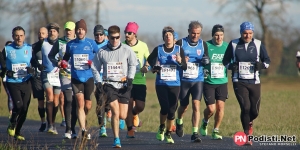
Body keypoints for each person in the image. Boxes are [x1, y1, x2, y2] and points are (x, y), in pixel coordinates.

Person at [222, 21, 271, 145]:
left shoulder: (258, 44)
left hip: (254, 81)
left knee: (254, 111)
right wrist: (231, 66)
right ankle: (246, 135)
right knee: (245, 107)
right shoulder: (233, 44)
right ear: (241, 33)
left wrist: (261, 65)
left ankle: (249, 122)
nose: (247, 36)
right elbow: (225, 61)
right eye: (245, 33)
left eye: (250, 33)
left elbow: (267, 61)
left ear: (252, 33)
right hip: (239, 81)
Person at [91, 25, 137, 148]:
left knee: (123, 115)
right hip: (109, 84)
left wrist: (130, 78)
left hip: (123, 85)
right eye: (112, 38)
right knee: (115, 112)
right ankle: (116, 139)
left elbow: (133, 64)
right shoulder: (102, 52)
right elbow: (94, 67)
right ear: (108, 37)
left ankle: (119, 121)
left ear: (120, 36)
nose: (115, 40)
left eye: (117, 38)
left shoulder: (127, 50)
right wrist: (98, 82)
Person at [147, 26, 187, 144]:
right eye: (166, 35)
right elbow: (149, 63)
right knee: (164, 108)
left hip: (175, 84)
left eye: (170, 35)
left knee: (172, 110)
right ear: (163, 38)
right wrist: (152, 68)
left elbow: (184, 67)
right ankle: (161, 127)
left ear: (173, 37)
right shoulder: (158, 49)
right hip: (161, 84)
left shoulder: (179, 49)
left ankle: (169, 133)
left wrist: (180, 61)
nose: (168, 37)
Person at [62, 19, 98, 140]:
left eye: (82, 29)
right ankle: (83, 129)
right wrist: (62, 63)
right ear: (76, 31)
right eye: (78, 29)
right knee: (80, 103)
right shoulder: (70, 44)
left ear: (85, 31)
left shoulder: (91, 43)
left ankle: (82, 120)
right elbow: (65, 58)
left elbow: (99, 58)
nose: (80, 31)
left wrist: (92, 62)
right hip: (76, 77)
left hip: (88, 77)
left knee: (87, 106)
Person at [175, 21, 209, 142]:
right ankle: (179, 120)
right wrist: (181, 60)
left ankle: (195, 133)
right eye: (193, 33)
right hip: (184, 80)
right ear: (188, 31)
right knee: (184, 106)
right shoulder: (180, 43)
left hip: (197, 79)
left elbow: (207, 58)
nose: (195, 36)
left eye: (198, 33)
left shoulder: (203, 44)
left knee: (196, 105)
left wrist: (206, 61)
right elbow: (174, 59)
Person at [0, 26, 35, 140]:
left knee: (25, 108)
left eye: (21, 36)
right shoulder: (7, 49)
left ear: (24, 36)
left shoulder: (29, 48)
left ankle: (18, 131)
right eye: (16, 36)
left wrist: (33, 69)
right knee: (18, 105)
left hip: (26, 81)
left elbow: (34, 63)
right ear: (13, 37)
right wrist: (5, 71)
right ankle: (12, 122)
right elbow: (1, 64)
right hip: (12, 82)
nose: (19, 38)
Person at [49, 21, 78, 139]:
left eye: (71, 29)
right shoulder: (60, 42)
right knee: (68, 100)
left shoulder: (79, 42)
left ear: (75, 30)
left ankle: (74, 128)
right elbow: (51, 56)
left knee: (76, 102)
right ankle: (67, 129)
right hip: (64, 74)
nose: (69, 32)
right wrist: (57, 63)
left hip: (77, 75)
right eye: (67, 29)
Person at [200, 24, 228, 140]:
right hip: (209, 82)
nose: (219, 37)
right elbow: (199, 59)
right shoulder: (206, 45)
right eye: (216, 35)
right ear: (213, 35)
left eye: (221, 35)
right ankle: (205, 121)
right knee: (211, 109)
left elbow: (231, 61)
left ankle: (215, 131)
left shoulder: (227, 47)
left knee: (220, 107)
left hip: (222, 81)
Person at [123, 22, 150, 138]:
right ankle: (130, 129)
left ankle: (134, 114)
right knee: (127, 105)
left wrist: (146, 67)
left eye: (129, 33)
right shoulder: (122, 45)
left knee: (140, 106)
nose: (127, 35)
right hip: (125, 80)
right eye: (125, 33)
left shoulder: (143, 46)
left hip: (139, 80)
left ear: (134, 34)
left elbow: (149, 60)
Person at [39, 23, 61, 134]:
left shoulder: (61, 43)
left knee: (56, 101)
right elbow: (32, 51)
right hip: (46, 73)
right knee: (50, 96)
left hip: (58, 75)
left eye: (54, 31)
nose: (52, 33)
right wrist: (37, 64)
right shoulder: (43, 42)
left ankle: (53, 122)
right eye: (50, 31)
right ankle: (50, 124)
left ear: (58, 33)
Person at [92, 24, 109, 137]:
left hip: (108, 78)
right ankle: (102, 126)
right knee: (100, 102)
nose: (99, 36)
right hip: (95, 79)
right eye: (97, 35)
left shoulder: (108, 44)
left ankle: (113, 116)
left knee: (109, 103)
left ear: (104, 35)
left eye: (101, 34)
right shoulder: (91, 45)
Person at [31, 27, 48, 132]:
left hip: (50, 77)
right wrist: (36, 65)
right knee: (41, 101)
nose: (40, 34)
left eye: (43, 33)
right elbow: (31, 60)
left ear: (47, 35)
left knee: (51, 100)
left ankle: (51, 122)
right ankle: (43, 122)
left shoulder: (52, 46)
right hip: (38, 77)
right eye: (39, 33)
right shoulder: (34, 47)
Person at [1, 41, 13, 118]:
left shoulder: (14, 57)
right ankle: (11, 113)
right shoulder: (2, 57)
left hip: (14, 79)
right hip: (6, 78)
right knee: (10, 94)